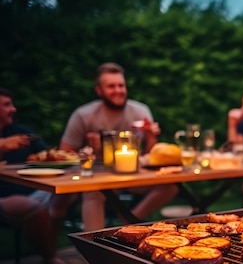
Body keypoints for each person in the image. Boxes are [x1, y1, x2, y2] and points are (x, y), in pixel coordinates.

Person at [50, 62, 178, 231]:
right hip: (99, 176)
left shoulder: (140, 111)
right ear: (99, 91)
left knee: (172, 186)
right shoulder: (84, 115)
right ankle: (94, 245)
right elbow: (64, 153)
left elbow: (150, 156)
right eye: (111, 86)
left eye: (121, 85)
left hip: (134, 174)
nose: (118, 90)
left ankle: (130, 220)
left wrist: (150, 135)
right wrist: (90, 149)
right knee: (93, 192)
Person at [0, 87, 69, 264]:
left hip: (35, 189)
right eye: (7, 105)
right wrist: (2, 145)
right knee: (32, 208)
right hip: (5, 196)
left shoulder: (21, 131)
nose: (13, 109)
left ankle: (50, 234)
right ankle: (50, 256)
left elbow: (48, 154)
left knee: (68, 193)